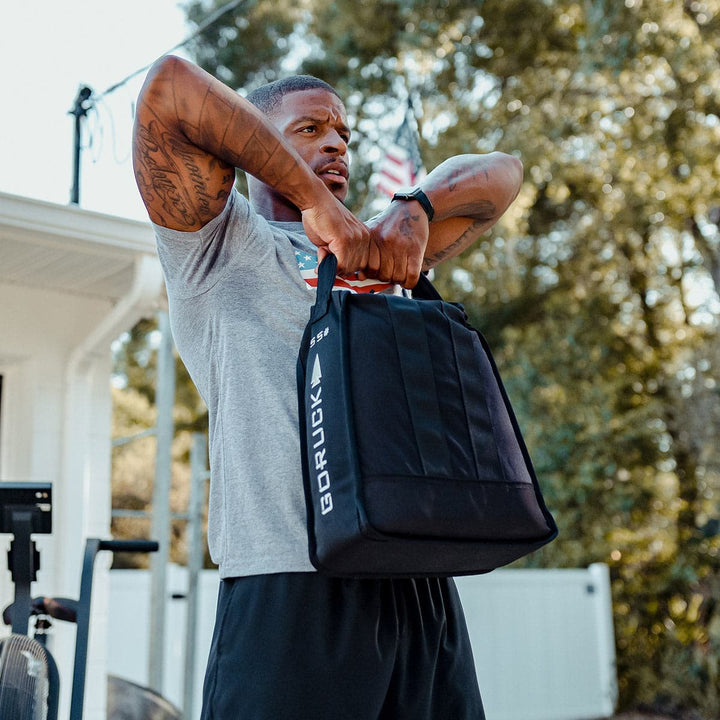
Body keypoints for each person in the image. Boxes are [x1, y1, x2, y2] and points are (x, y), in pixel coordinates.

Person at [133, 54, 523, 720]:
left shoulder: (387, 250)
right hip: (290, 582)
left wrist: (416, 207)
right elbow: (168, 87)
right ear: (252, 134)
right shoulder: (218, 242)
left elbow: (503, 173)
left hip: (417, 581)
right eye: (310, 128)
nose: (337, 142)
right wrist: (316, 203)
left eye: (343, 132)